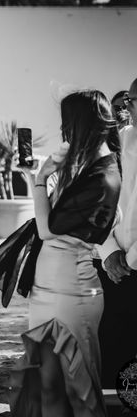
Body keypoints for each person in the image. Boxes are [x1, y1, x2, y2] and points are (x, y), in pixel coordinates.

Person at [17, 90, 121, 417]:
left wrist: (39, 180)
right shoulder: (85, 165)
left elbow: (47, 228)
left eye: (67, 124)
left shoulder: (103, 174)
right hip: (46, 289)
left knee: (81, 390)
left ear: (81, 126)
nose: (64, 133)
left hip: (73, 293)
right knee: (47, 384)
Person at [96, 77, 137, 388]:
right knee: (114, 342)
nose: (128, 109)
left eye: (132, 102)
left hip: (129, 263)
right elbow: (97, 196)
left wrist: (131, 258)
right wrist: (108, 251)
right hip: (114, 268)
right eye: (129, 102)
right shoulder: (119, 141)